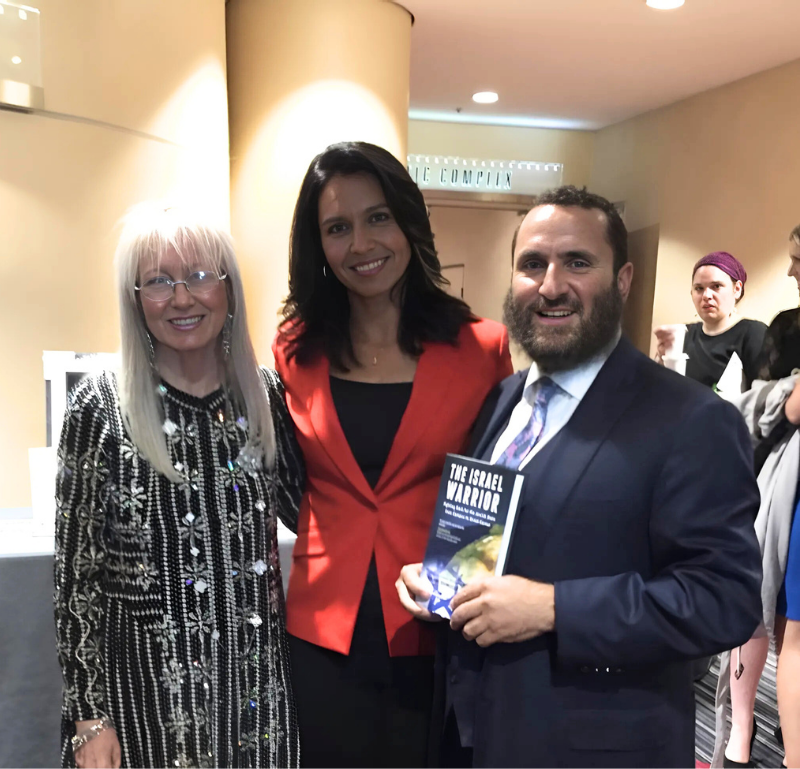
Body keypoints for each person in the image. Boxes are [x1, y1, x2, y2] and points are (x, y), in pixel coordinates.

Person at [396, 185, 763, 768]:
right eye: (532, 264)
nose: (551, 285)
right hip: (474, 731)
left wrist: (555, 608)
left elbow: (725, 599)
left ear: (622, 280)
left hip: (594, 747)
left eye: (578, 262)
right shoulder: (503, 400)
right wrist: (446, 585)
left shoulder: (691, 420)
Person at [273, 141, 513, 768]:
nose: (361, 244)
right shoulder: (294, 350)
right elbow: (285, 479)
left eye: (378, 217)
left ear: (409, 220)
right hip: (324, 626)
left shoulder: (482, 347)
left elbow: (495, 482)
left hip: (437, 621)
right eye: (337, 228)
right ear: (316, 244)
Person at [53, 203, 303, 769]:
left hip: (258, 709)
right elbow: (76, 580)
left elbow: (312, 510)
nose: (182, 298)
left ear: (230, 290)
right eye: (159, 282)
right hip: (143, 712)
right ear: (135, 299)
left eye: (198, 276)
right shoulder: (100, 407)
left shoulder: (265, 398)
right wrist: (89, 720)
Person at [714, 224, 800, 769]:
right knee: (770, 618)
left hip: (772, 479)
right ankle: (740, 736)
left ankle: (742, 737)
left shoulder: (758, 331)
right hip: (763, 479)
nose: (791, 271)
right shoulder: (786, 326)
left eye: (798, 260)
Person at [654, 251, 767, 392]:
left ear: (737, 289)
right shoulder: (684, 334)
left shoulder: (753, 334)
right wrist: (661, 361)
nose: (706, 295)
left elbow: (765, 398)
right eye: (699, 288)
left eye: (716, 286)